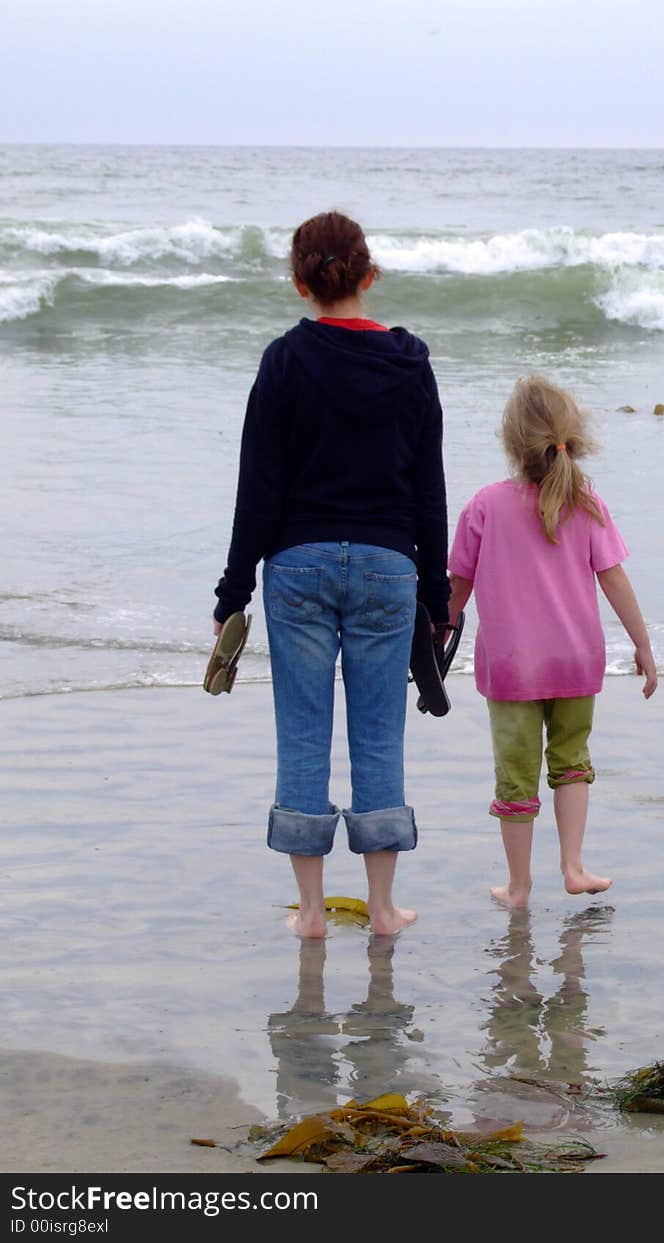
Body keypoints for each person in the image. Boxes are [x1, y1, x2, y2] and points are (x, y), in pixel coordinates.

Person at [212, 211, 449, 937]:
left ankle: (312, 912)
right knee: (379, 736)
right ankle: (382, 909)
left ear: (299, 283)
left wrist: (233, 593)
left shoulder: (285, 360)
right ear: (368, 274)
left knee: (304, 734)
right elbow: (428, 489)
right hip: (387, 566)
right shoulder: (409, 363)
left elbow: (258, 487)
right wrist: (437, 596)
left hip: (299, 565)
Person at [447, 375, 656, 908]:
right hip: (575, 660)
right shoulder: (586, 502)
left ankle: (518, 887)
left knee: (516, 776)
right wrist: (643, 646)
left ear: (512, 442)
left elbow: (458, 586)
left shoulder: (485, 506)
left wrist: (434, 635)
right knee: (571, 760)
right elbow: (614, 579)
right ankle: (574, 866)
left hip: (514, 667)